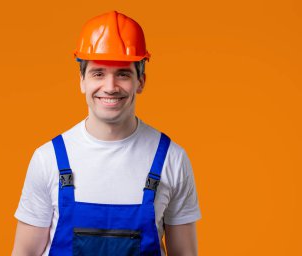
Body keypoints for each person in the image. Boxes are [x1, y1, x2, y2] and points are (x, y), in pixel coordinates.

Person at [12, 10, 201, 256]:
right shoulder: (48, 159)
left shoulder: (171, 159)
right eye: (98, 73)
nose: (110, 87)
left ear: (141, 81)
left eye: (123, 74)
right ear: (82, 80)